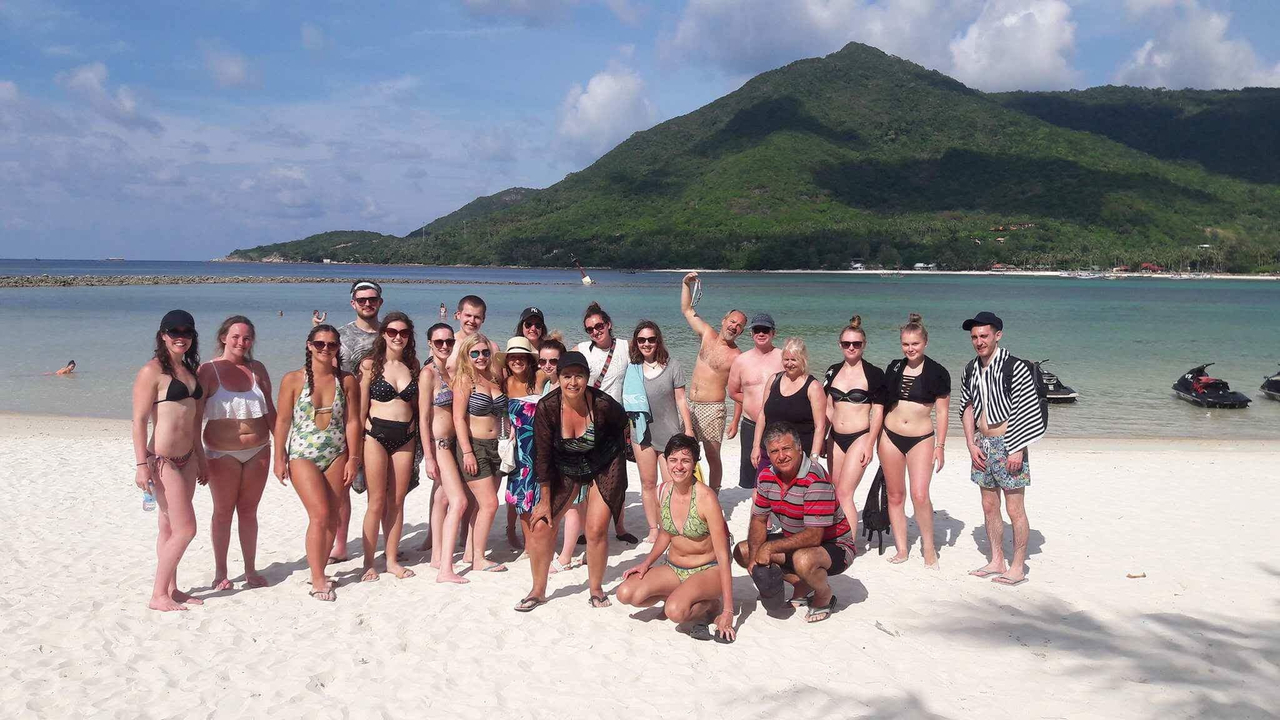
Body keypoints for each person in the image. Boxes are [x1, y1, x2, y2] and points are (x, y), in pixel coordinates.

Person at [518, 351, 628, 611]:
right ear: (558, 377)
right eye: (567, 376)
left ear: (587, 378)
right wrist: (544, 500)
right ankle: (538, 591)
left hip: (603, 462)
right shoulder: (547, 407)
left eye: (579, 376)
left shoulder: (602, 403)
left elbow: (623, 421)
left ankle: (596, 589)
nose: (573, 382)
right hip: (564, 465)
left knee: (596, 529)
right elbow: (542, 456)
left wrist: (620, 451)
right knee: (542, 526)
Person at [616, 434, 736, 642]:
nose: (678, 466)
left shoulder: (706, 498)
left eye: (685, 460)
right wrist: (646, 563)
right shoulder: (662, 492)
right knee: (626, 593)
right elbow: (666, 533)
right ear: (666, 461)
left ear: (695, 463)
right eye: (673, 460)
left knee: (675, 611)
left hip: (708, 569)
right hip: (674, 567)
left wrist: (728, 610)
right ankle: (679, 594)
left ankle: (711, 604)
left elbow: (723, 554)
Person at [273, 324, 362, 601]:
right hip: (302, 454)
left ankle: (320, 570)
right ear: (309, 345)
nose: (326, 349)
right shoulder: (293, 380)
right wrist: (278, 456)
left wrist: (354, 458)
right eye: (320, 344)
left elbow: (353, 421)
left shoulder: (346, 381)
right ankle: (317, 578)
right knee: (320, 514)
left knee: (333, 517)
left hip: (336, 453)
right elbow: (283, 421)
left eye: (332, 344)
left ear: (338, 348)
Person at [734, 422, 854, 623]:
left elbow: (814, 536)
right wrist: (755, 559)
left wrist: (769, 548)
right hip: (795, 538)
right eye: (774, 451)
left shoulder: (815, 479)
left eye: (786, 448)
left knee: (803, 559)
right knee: (744, 551)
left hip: (835, 545)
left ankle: (824, 594)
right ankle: (801, 584)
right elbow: (759, 519)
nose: (781, 456)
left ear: (799, 448)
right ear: (768, 454)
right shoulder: (766, 476)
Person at [959, 311, 1045, 586]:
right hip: (982, 444)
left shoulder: (1014, 367)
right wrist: (970, 443)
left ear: (998, 335)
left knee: (1014, 508)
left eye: (984, 336)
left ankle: (1017, 567)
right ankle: (997, 560)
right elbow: (967, 407)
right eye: (975, 337)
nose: (979, 341)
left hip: (1009, 442)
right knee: (989, 505)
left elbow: (1026, 408)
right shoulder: (971, 369)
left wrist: (1017, 448)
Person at [131, 310, 207, 611]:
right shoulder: (151, 371)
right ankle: (158, 594)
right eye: (174, 331)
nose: (181, 337)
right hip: (162, 461)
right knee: (186, 529)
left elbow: (194, 420)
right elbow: (138, 421)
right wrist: (141, 465)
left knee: (169, 527)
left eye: (187, 332)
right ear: (163, 335)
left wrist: (202, 457)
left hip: (188, 458)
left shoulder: (190, 370)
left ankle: (172, 589)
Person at [199, 315, 276, 591]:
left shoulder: (257, 369)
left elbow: (270, 411)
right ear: (223, 338)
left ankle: (250, 570)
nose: (241, 342)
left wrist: (283, 450)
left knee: (249, 511)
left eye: (246, 338)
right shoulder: (208, 370)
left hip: (259, 450)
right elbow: (195, 417)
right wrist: (198, 457)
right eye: (235, 336)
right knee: (222, 512)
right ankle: (220, 572)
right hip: (222, 453)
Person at [358, 312, 436, 582]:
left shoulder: (412, 365)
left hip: (405, 436)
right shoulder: (370, 365)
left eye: (403, 333)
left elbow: (418, 406)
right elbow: (360, 409)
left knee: (397, 500)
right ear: (383, 334)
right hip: (375, 435)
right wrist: (355, 446)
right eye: (392, 332)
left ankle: (391, 559)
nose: (398, 337)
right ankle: (369, 563)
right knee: (376, 501)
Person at [312, 279, 384, 563]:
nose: (367, 303)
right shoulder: (340, 336)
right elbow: (322, 372)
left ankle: (382, 543)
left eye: (372, 299)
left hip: (384, 418)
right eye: (362, 299)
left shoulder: (391, 333)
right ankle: (340, 545)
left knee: (382, 486)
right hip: (346, 419)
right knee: (342, 487)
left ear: (380, 302)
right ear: (353, 303)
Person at [881, 313, 952, 567]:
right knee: (895, 495)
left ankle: (929, 548)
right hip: (889, 437)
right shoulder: (894, 367)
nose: (910, 349)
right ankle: (902, 548)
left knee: (920, 494)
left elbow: (942, 412)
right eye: (905, 344)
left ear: (925, 343)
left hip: (921, 439)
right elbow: (882, 404)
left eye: (915, 344)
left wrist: (940, 446)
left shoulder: (938, 372)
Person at [576, 301, 637, 543]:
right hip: (588, 422)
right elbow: (560, 367)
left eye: (599, 326)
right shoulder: (583, 349)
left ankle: (620, 528)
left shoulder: (624, 347)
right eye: (589, 329)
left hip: (616, 424)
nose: (595, 331)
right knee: (588, 479)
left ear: (608, 324)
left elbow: (650, 357)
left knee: (618, 479)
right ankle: (585, 529)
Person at [628, 320, 694, 543]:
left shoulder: (672, 366)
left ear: (658, 340)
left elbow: (681, 399)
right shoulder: (632, 369)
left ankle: (672, 526)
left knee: (672, 484)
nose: (646, 344)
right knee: (648, 484)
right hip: (642, 434)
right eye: (641, 340)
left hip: (669, 434)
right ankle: (653, 529)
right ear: (636, 342)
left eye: (651, 339)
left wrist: (688, 429)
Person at [680, 272, 746, 491]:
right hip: (690, 405)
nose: (734, 326)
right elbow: (687, 310)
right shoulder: (707, 334)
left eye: (739, 326)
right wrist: (686, 284)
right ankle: (688, 490)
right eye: (732, 321)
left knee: (712, 455)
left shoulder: (737, 356)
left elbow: (738, 392)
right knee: (684, 451)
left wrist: (735, 421)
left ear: (741, 332)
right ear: (724, 321)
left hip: (713, 408)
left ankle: (714, 494)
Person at [823, 315, 886, 533]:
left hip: (859, 437)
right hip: (835, 438)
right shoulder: (833, 370)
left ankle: (848, 544)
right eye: (846, 343)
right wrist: (823, 437)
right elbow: (828, 407)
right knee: (834, 491)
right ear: (839, 344)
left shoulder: (874, 374)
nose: (851, 347)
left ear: (864, 345)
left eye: (856, 344)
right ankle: (836, 535)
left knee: (845, 493)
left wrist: (870, 444)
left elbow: (878, 412)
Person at [452, 332, 507, 572]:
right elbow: (458, 418)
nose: (481, 357)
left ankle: (470, 552)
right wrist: (467, 452)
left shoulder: (494, 378)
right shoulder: (465, 381)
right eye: (475, 353)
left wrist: (509, 432)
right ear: (467, 355)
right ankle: (479, 559)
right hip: (475, 446)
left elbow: (502, 413)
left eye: (485, 352)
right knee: (490, 504)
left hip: (497, 447)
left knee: (483, 504)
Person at [419, 323, 469, 583]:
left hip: (453, 443)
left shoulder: (450, 372)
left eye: (449, 341)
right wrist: (428, 456)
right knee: (459, 501)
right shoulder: (428, 374)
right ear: (430, 343)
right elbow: (423, 418)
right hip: (440, 446)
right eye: (439, 342)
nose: (444, 346)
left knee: (442, 498)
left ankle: (437, 556)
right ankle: (445, 570)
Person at [537, 339, 581, 573]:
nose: (547, 365)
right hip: (555, 452)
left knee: (572, 505)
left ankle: (565, 557)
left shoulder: (568, 388)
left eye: (553, 361)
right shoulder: (548, 385)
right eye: (542, 361)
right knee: (569, 503)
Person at [751, 337, 826, 470]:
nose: (789, 364)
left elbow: (819, 426)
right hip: (770, 450)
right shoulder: (774, 380)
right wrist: (756, 446)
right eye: (786, 359)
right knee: (762, 483)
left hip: (798, 455)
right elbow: (762, 415)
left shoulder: (813, 387)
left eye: (794, 360)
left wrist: (814, 457)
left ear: (803, 360)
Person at [727, 313, 783, 488]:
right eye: (757, 330)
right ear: (751, 333)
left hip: (779, 424)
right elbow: (733, 392)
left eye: (765, 330)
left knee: (782, 468)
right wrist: (751, 402)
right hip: (751, 424)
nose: (761, 333)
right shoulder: (741, 361)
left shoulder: (784, 357)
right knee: (753, 474)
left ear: (773, 333)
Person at [502, 336, 539, 549]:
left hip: (541, 444)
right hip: (519, 447)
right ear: (507, 360)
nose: (517, 361)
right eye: (512, 357)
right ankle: (516, 533)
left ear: (529, 359)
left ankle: (534, 536)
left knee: (539, 491)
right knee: (518, 491)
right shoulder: (505, 384)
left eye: (522, 357)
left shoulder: (540, 377)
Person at [448, 295, 500, 373]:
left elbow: (498, 378)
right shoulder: (444, 346)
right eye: (468, 315)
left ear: (483, 319)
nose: (472, 321)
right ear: (458, 315)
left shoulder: (492, 348)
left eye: (477, 317)